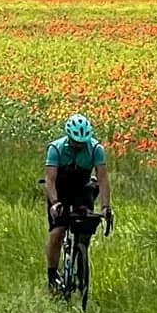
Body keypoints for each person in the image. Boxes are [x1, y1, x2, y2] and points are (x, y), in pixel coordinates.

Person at [43, 113, 112, 290]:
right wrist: (55, 203)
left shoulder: (96, 148)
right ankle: (52, 275)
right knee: (58, 231)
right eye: (76, 143)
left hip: (82, 189)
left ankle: (81, 257)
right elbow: (50, 180)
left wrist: (105, 207)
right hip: (61, 190)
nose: (79, 146)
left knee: (85, 225)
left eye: (83, 143)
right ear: (69, 137)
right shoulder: (56, 148)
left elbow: (103, 179)